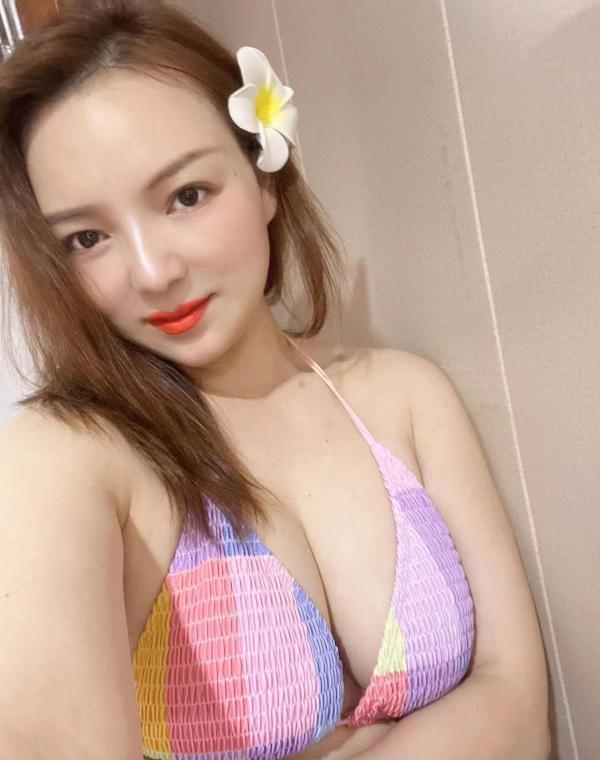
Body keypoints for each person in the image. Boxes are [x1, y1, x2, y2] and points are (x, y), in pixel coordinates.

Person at [0, 1, 550, 759]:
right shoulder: (64, 458)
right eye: (87, 238)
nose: (153, 273)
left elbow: (518, 703)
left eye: (186, 195)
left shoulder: (406, 397)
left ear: (265, 179)